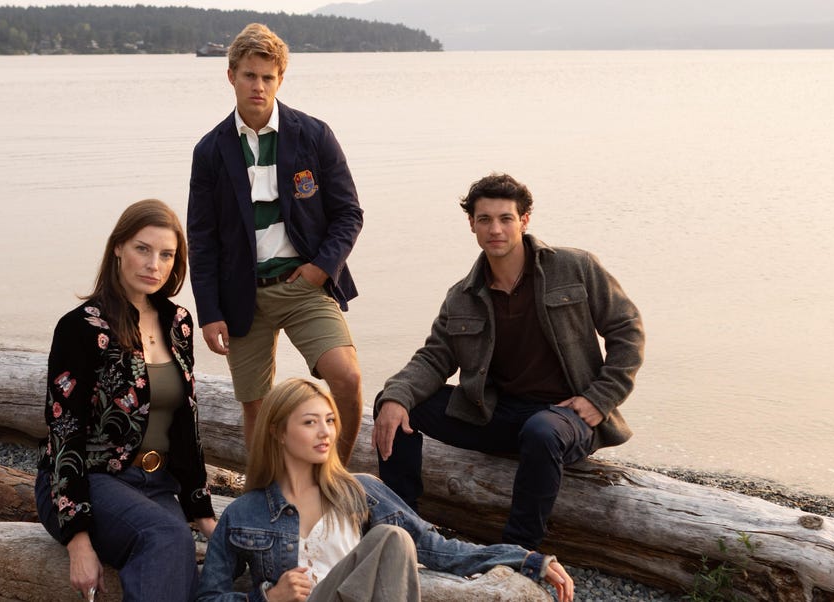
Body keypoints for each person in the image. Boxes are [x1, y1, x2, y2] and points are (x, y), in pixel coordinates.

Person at [373, 172, 645, 551]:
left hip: (565, 417)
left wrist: (600, 399)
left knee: (541, 431)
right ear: (472, 224)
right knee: (395, 402)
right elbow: (434, 358)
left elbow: (627, 330)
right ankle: (405, 532)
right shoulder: (462, 295)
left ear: (524, 220)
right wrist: (397, 396)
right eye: (485, 219)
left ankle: (518, 552)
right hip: (495, 415)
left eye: (505, 218)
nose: (495, 229)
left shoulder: (575, 267)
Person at [197, 378, 575, 602]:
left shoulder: (359, 491)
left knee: (393, 539)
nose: (326, 432)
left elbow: (437, 549)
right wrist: (268, 597)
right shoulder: (244, 513)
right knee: (390, 538)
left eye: (329, 420)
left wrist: (527, 558)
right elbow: (209, 596)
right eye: (310, 422)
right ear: (278, 432)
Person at [187, 23, 365, 464]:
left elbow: (349, 214)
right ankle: (265, 490)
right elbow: (202, 239)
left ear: (280, 79)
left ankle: (334, 476)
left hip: (303, 286)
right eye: (249, 75)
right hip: (242, 295)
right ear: (231, 75)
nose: (258, 86)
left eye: (268, 77)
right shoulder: (210, 151)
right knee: (257, 406)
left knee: (346, 379)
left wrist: (320, 268)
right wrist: (209, 312)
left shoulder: (314, 135)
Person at [35, 199, 217, 601]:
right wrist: (78, 541)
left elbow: (185, 424)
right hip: (88, 481)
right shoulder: (80, 327)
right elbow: (64, 432)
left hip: (156, 484)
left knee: (183, 553)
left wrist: (202, 512)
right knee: (167, 537)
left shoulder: (179, 323)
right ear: (118, 247)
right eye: (142, 249)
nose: (154, 264)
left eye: (166, 254)